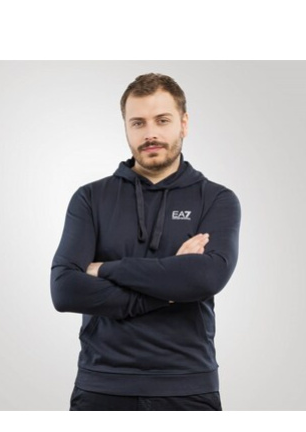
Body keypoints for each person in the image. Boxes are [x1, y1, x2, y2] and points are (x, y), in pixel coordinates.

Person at [50, 73, 241, 411]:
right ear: (126, 127)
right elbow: (65, 291)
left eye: (162, 120)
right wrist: (172, 285)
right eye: (138, 123)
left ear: (183, 124)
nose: (150, 133)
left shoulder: (216, 199)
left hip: (187, 387)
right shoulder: (90, 198)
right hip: (102, 386)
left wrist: (105, 269)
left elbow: (206, 278)